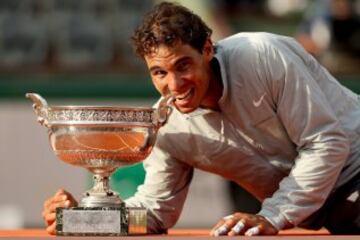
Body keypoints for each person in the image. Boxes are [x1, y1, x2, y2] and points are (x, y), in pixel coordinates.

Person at [42, 2, 360, 236]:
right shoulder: (167, 127)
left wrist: (273, 216)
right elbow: (153, 213)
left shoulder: (263, 55)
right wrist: (84, 220)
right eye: (159, 72)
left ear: (207, 49)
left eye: (183, 66)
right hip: (339, 214)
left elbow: (326, 142)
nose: (175, 85)